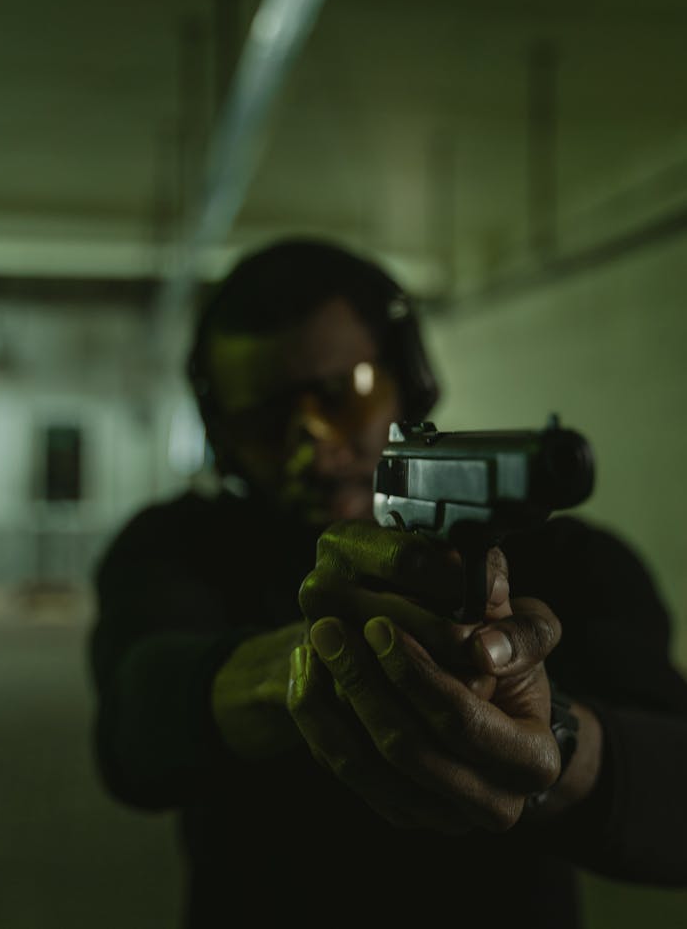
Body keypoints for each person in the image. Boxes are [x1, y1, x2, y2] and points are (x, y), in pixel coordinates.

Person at [90, 239, 687, 928]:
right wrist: (316, 663)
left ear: (412, 379)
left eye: (345, 396)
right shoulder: (176, 545)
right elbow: (136, 729)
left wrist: (552, 739)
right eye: (263, 420)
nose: (312, 444)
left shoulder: (574, 563)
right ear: (221, 436)